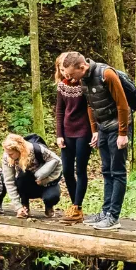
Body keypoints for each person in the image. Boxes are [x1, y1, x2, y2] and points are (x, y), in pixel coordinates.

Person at [54, 50, 135, 230]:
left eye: (71, 73)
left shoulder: (107, 74)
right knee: (106, 170)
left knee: (118, 172)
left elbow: (123, 104)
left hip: (117, 128)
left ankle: (113, 216)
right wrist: (95, 130)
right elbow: (91, 105)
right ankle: (105, 212)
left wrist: (123, 133)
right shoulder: (84, 79)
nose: (70, 77)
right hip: (103, 128)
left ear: (82, 67)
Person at [52, 55, 96, 224]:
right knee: (67, 171)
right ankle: (74, 205)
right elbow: (59, 111)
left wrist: (94, 131)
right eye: (62, 70)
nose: (65, 74)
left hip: (83, 132)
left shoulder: (84, 84)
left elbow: (91, 108)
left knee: (80, 170)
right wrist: (59, 135)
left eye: (67, 70)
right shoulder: (62, 86)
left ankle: (77, 207)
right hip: (67, 132)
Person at [1, 133, 63, 219]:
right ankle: (24, 205)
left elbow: (58, 163)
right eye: (7, 153)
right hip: (26, 184)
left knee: (52, 197)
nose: (8, 156)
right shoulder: (7, 156)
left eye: (11, 154)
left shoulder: (37, 149)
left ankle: (49, 206)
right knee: (22, 175)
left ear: (19, 150)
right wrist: (18, 206)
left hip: (44, 181)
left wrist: (47, 179)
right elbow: (9, 181)